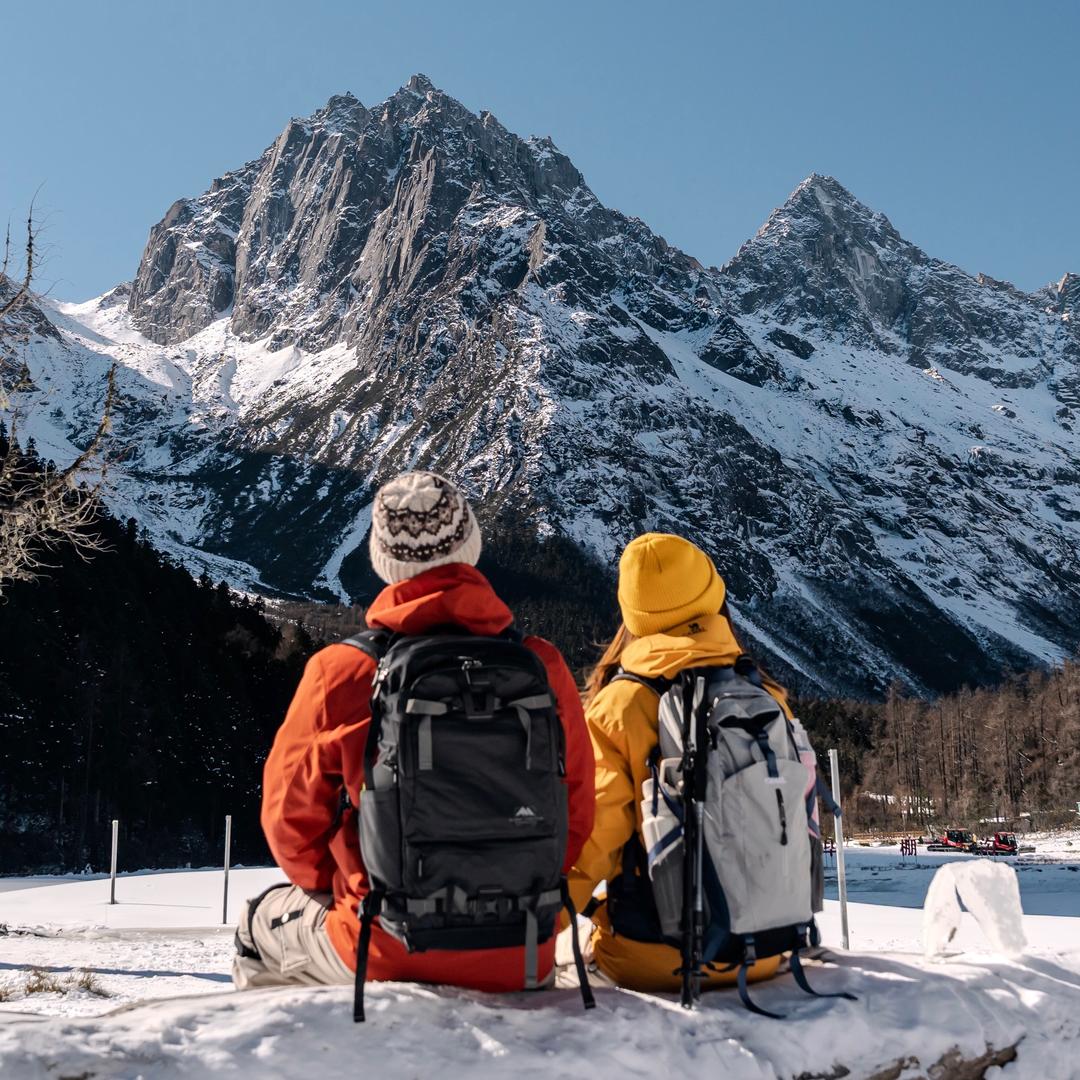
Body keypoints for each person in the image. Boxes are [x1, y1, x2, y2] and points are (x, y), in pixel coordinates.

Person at [233, 471, 595, 994]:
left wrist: (349, 886)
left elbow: (288, 823)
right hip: (522, 947)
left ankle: (296, 1041)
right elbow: (577, 810)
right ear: (470, 548)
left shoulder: (342, 671)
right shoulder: (543, 666)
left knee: (258, 923)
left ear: (384, 561)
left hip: (382, 944)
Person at [565, 532, 786, 993]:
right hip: (766, 950)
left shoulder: (620, 704)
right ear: (712, 597)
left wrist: (540, 925)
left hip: (652, 956)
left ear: (633, 615)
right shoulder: (765, 694)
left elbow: (595, 838)